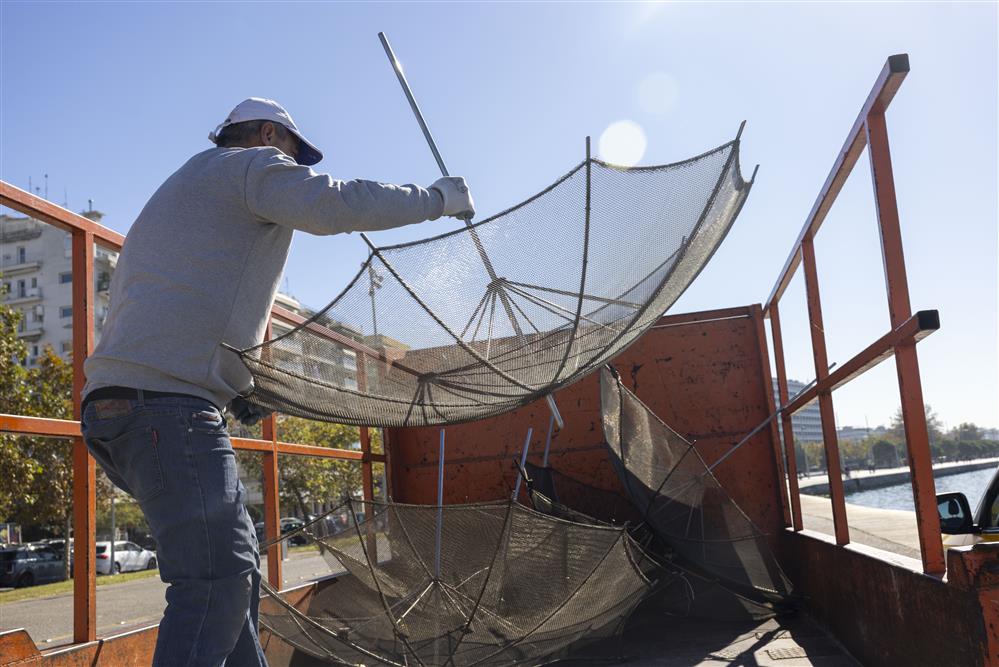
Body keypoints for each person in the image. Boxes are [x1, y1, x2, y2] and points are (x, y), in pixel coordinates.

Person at [79, 98, 474, 666]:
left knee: (233, 578)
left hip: (125, 407)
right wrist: (437, 200)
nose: (295, 167)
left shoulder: (186, 185)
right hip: (169, 409)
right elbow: (333, 203)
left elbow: (192, 298)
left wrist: (238, 383)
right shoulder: (251, 166)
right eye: (293, 153)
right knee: (217, 582)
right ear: (268, 134)